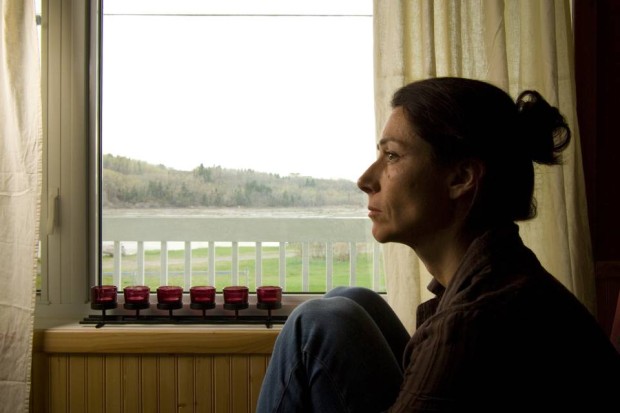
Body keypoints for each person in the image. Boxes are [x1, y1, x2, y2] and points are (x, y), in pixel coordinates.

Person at [255, 77, 620, 412]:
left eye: (392, 156)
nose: (366, 179)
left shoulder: (470, 322)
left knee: (317, 322)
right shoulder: (505, 276)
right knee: (351, 298)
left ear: (461, 178)